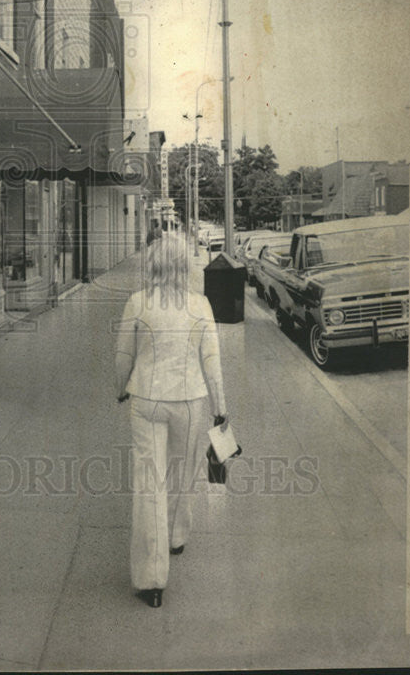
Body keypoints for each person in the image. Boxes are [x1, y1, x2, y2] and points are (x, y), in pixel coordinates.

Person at [115, 232, 228, 609]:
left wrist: (120, 389)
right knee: (183, 474)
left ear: (154, 263)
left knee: (150, 484)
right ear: (185, 265)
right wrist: (221, 407)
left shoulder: (137, 303)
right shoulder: (201, 305)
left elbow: (123, 356)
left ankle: (152, 579)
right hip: (192, 402)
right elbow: (212, 362)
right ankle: (177, 536)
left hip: (146, 399)